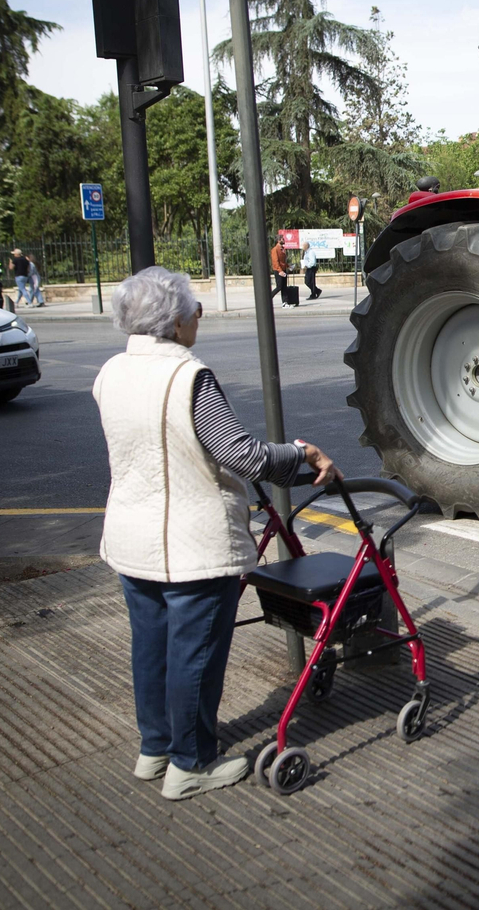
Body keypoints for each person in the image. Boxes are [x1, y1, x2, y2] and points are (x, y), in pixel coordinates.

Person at [92, 266, 341, 801]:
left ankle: (155, 748)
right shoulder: (187, 376)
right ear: (176, 319)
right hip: (191, 543)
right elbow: (240, 454)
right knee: (195, 653)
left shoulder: (111, 371)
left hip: (132, 536)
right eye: (195, 309)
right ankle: (192, 763)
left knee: (152, 646)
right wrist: (303, 453)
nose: (198, 318)